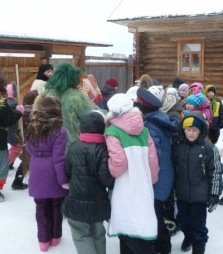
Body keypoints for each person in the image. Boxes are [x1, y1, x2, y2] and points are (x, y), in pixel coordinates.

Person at [105, 93, 159, 254]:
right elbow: (152, 160)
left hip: (124, 185)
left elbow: (119, 163)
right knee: (141, 222)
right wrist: (152, 178)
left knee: (125, 224)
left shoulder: (113, 131)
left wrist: (110, 171)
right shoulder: (144, 130)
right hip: (143, 183)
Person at [61, 110, 115, 254]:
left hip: (76, 201)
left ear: (81, 128)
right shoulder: (104, 149)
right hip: (98, 202)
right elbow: (106, 179)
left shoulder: (73, 147)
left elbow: (67, 171)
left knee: (81, 235)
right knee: (98, 234)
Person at [172, 111, 223, 254]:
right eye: (188, 130)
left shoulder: (208, 148)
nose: (191, 133)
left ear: (201, 131)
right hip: (182, 194)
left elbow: (216, 171)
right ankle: (188, 236)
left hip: (200, 196)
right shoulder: (177, 146)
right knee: (183, 221)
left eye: (194, 130)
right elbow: (173, 167)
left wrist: (214, 194)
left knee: (198, 226)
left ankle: (198, 247)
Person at [136, 88, 180, 254]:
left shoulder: (150, 127)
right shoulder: (161, 118)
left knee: (155, 213)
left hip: (158, 177)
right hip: (166, 173)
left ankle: (161, 246)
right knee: (158, 211)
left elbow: (153, 157)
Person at [25, 95, 69, 252]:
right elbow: (59, 158)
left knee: (41, 207)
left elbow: (28, 148)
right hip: (53, 172)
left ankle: (43, 241)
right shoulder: (60, 130)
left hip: (37, 168)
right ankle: (55, 237)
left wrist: (38, 155)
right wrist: (63, 180)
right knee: (57, 206)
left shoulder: (31, 126)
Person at [45, 62, 100, 146]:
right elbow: (92, 116)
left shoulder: (47, 95)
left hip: (52, 144)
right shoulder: (74, 97)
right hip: (73, 144)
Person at [6, 82, 28, 190]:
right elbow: (12, 117)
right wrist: (19, 111)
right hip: (13, 131)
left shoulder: (9, 101)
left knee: (15, 148)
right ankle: (5, 165)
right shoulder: (12, 103)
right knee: (16, 149)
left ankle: (8, 164)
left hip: (12, 131)